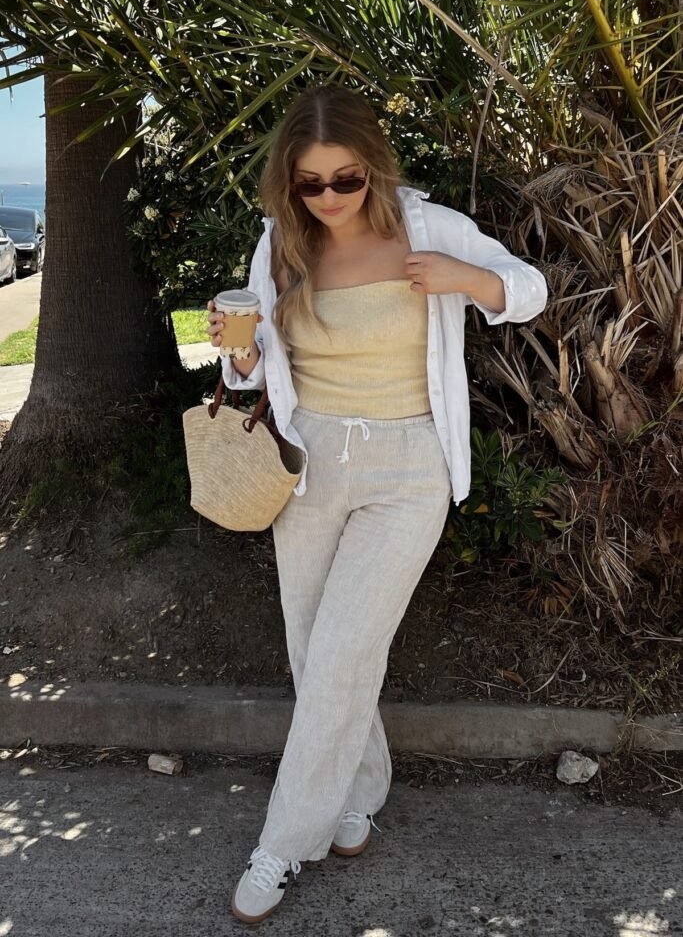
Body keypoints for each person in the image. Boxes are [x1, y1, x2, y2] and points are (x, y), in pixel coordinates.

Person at [206, 83, 548, 924]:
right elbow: (247, 376)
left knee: (338, 658)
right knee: (311, 650)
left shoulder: (424, 228)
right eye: (308, 184)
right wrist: (238, 353)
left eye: (344, 180)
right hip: (310, 464)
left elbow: (528, 286)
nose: (327, 198)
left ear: (374, 167)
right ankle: (356, 797)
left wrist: (470, 278)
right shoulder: (279, 244)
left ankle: (282, 844)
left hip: (406, 469)